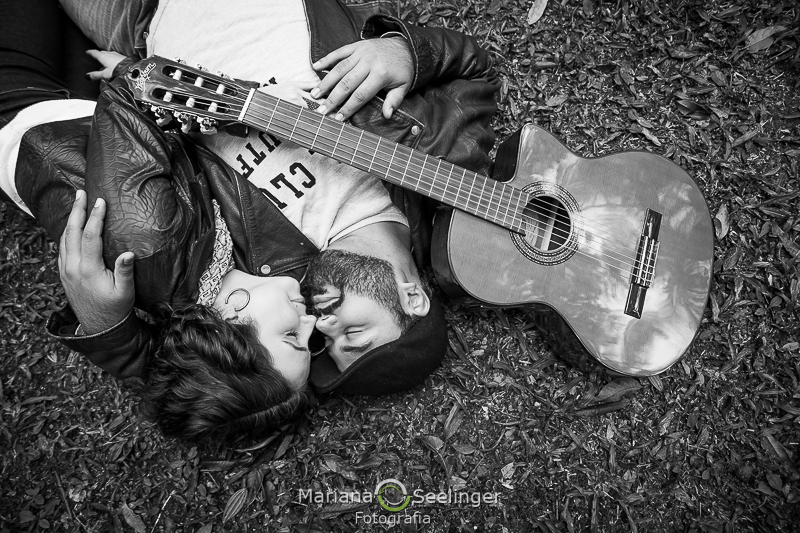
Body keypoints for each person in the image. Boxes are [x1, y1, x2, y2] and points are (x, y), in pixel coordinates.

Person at [2, 0, 499, 441]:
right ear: (412, 297)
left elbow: (208, 367)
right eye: (353, 334)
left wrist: (107, 329)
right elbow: (477, 71)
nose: (321, 323)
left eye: (322, 342)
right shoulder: (443, 171)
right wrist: (404, 52)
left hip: (134, 27)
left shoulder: (274, 273)